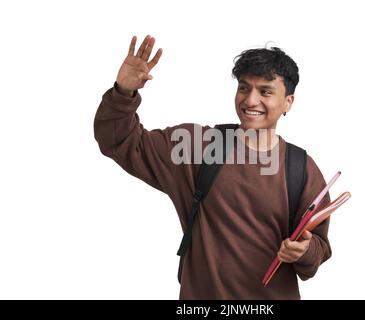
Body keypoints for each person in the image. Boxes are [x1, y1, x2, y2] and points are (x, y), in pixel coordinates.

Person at [94, 35, 332, 299]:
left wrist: (304, 251)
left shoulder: (301, 168)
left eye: (265, 91)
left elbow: (317, 251)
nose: (250, 100)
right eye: (244, 88)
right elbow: (120, 142)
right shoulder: (198, 147)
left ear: (288, 102)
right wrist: (123, 92)